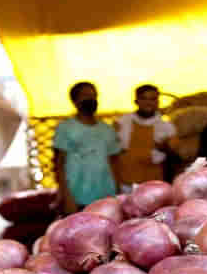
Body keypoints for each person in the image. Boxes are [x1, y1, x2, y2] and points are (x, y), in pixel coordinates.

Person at [53, 82, 121, 212]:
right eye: (85, 95)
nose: (91, 99)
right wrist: (66, 196)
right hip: (76, 196)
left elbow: (114, 163)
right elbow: (59, 164)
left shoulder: (107, 130)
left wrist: (117, 192)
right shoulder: (65, 128)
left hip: (105, 196)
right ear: (74, 100)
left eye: (94, 95)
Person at [114, 84, 178, 190]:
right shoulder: (121, 123)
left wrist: (165, 148)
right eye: (144, 98)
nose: (148, 102)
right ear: (136, 101)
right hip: (126, 184)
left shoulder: (167, 127)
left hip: (154, 184)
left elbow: (175, 157)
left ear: (158, 102)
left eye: (152, 99)